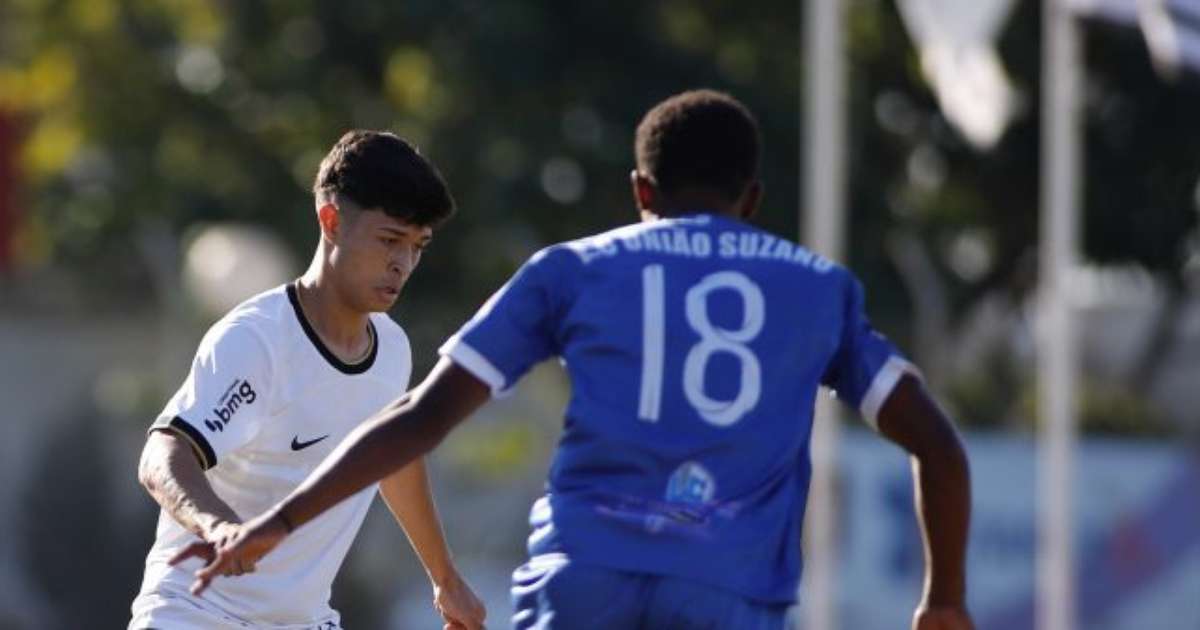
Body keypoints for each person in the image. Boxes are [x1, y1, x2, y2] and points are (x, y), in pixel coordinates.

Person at [190, 90, 973, 630]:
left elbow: (420, 419)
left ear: (640, 190)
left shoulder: (575, 271)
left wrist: (280, 518)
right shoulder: (818, 289)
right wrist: (943, 599)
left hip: (582, 580)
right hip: (729, 593)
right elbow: (937, 446)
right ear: (754, 199)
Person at [129, 130, 486, 630]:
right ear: (332, 220)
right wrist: (217, 526)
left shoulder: (392, 349)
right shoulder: (256, 340)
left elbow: (394, 458)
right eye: (389, 240)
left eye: (417, 246)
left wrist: (446, 580)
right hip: (195, 612)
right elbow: (163, 454)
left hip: (302, 621)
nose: (402, 264)